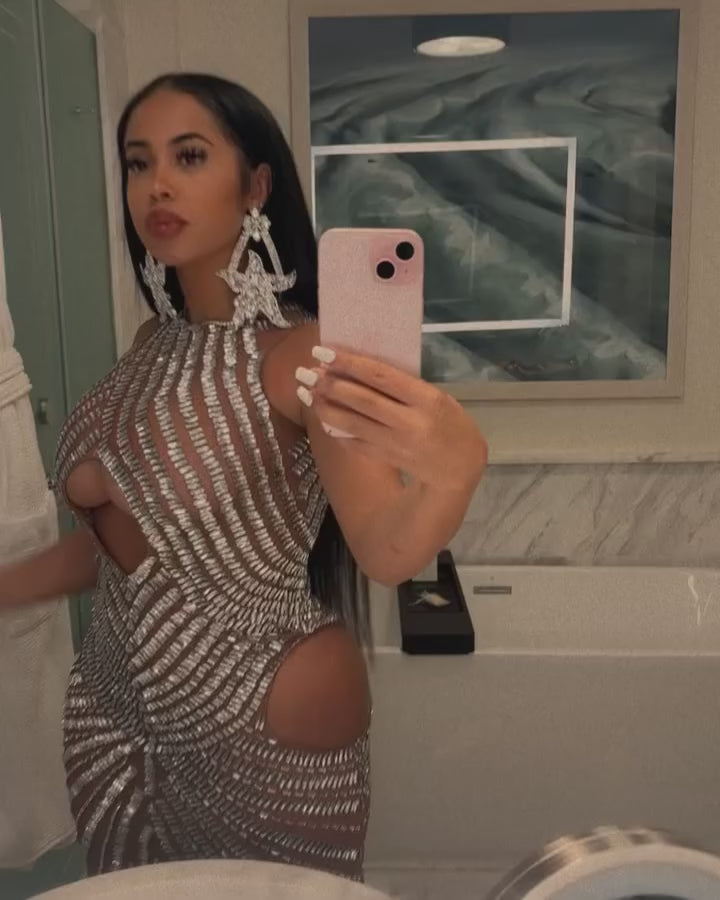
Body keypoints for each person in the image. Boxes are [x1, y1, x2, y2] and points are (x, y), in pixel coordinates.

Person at [0, 73, 487, 881]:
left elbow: (384, 547)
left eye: (189, 156)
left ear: (256, 186)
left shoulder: (304, 355)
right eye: (138, 162)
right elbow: (133, 552)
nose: (157, 184)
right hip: (113, 726)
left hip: (268, 718)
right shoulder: (150, 344)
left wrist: (454, 475)